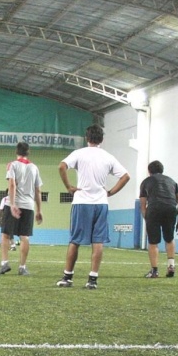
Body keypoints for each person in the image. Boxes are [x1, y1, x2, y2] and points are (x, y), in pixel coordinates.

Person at [56, 124, 130, 289]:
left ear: (86, 138)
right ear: (102, 139)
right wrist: (110, 192)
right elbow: (126, 176)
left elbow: (61, 166)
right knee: (98, 242)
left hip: (82, 202)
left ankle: (67, 277)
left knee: (75, 241)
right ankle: (92, 280)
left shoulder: (79, 154)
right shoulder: (108, 157)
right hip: (101, 203)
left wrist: (68, 187)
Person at [0, 142, 44, 275]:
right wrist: (39, 210)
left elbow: (12, 185)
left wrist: (12, 205)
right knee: (25, 237)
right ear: (28, 152)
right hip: (29, 205)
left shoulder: (13, 165)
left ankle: (4, 264)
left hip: (14, 203)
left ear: (16, 151)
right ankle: (22, 267)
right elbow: (38, 190)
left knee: (5, 234)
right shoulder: (34, 168)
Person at [139, 160, 178, 278]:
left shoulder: (145, 182)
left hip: (154, 209)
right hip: (170, 208)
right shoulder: (172, 181)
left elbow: (143, 204)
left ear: (149, 171)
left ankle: (154, 271)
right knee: (169, 238)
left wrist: (146, 218)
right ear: (162, 170)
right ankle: (171, 266)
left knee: (153, 241)